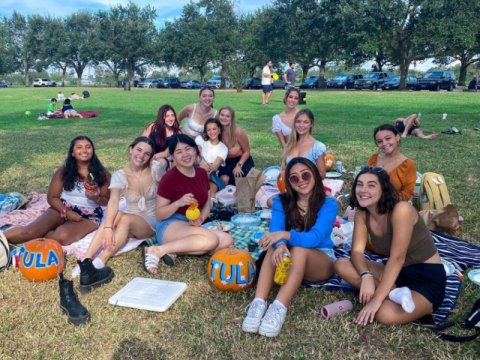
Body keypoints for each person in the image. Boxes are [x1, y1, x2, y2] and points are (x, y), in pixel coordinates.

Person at [334, 167, 446, 326]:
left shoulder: (401, 210)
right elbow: (357, 252)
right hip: (395, 273)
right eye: (360, 184)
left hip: (425, 277)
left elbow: (398, 258)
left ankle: (408, 301)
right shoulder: (362, 213)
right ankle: (395, 293)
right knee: (341, 264)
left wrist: (376, 300)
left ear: (383, 190)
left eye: (371, 185)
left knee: (384, 313)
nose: (363, 190)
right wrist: (365, 275)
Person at [242, 157, 337, 337]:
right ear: (289, 183)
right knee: (273, 246)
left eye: (306, 174)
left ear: (315, 175)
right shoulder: (281, 201)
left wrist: (285, 236)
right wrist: (280, 244)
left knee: (300, 249)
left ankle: (278, 307)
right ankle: (258, 302)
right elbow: (276, 228)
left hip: (320, 261)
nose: (301, 180)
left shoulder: (328, 204)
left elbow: (314, 239)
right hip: (291, 258)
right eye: (294, 178)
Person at [72, 137, 165, 276]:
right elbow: (114, 201)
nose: (141, 156)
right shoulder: (120, 175)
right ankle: (86, 259)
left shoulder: (156, 169)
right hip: (130, 219)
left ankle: (101, 261)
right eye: (138, 150)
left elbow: (169, 190)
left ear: (151, 156)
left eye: (147, 153)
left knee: (124, 217)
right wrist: (108, 228)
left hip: (152, 219)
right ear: (130, 149)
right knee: (119, 215)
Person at [142, 134, 233, 274]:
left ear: (196, 150)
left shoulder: (202, 173)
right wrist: (178, 203)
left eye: (188, 149)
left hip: (190, 225)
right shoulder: (169, 178)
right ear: (172, 156)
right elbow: (160, 214)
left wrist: (201, 219)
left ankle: (175, 249)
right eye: (179, 152)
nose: (185, 155)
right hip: (170, 224)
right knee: (211, 240)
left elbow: (207, 203)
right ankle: (157, 250)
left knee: (227, 240)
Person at [3, 136, 110, 245]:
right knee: (29, 232)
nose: (84, 150)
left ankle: (39, 235)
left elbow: (107, 200)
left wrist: (96, 198)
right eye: (79, 147)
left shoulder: (103, 173)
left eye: (88, 147)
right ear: (72, 152)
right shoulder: (63, 171)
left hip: (90, 214)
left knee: (61, 237)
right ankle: (3, 238)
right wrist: (67, 212)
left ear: (92, 150)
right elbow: (52, 197)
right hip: (63, 207)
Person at [367, 124, 416, 201]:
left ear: (397, 137)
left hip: (394, 205)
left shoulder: (407, 164)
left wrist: (383, 200)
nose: (384, 143)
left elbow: (408, 193)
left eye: (388, 138)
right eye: (379, 141)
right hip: (370, 202)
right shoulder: (373, 159)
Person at [280, 109, 326, 179]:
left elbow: (322, 174)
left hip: (308, 187)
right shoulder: (290, 145)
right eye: (298, 121)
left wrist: (303, 179)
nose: (301, 125)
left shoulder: (317, 147)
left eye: (306, 122)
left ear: (311, 124)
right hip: (290, 186)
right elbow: (285, 169)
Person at [217, 106, 255, 186]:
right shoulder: (217, 131)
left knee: (241, 182)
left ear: (232, 118)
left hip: (241, 160)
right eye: (222, 115)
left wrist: (239, 165)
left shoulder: (238, 132)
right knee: (224, 180)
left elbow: (247, 152)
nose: (224, 118)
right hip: (225, 162)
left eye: (227, 116)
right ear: (218, 115)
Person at [195, 118, 228, 197]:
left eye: (214, 129)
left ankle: (210, 204)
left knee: (210, 191)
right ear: (206, 131)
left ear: (219, 130)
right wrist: (201, 163)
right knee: (203, 171)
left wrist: (209, 167)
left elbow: (216, 165)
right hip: (196, 169)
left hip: (212, 174)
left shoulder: (223, 148)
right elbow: (197, 154)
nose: (212, 132)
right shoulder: (201, 140)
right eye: (209, 130)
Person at [143, 105, 182, 170]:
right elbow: (142, 142)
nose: (171, 119)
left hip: (164, 158)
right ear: (161, 117)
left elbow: (166, 153)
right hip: (148, 154)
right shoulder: (152, 127)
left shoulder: (177, 133)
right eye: (167, 116)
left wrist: (151, 158)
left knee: (159, 163)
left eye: (173, 115)